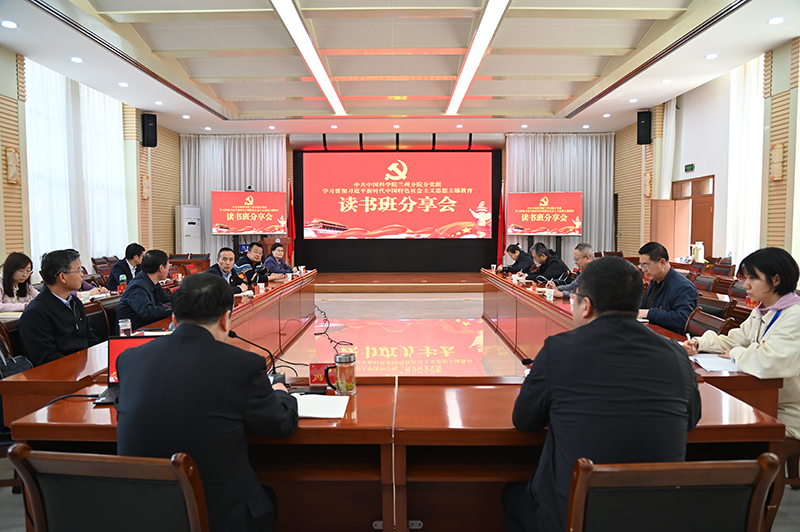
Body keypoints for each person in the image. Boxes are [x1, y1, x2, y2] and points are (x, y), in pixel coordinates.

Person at [503, 257, 701, 532]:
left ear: (586, 305)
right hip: (657, 516)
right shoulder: (677, 356)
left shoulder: (559, 350)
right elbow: (690, 420)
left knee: (512, 496)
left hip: (576, 517)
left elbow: (524, 420)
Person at [116, 273, 298, 532]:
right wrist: (280, 391)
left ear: (174, 319)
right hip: (218, 518)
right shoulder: (242, 365)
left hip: (140, 516)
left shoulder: (129, 359)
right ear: (225, 319)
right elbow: (281, 424)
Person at [685, 247, 800, 439]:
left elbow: (769, 362)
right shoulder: (763, 311)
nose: (745, 285)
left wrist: (735, 353)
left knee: (715, 428)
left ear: (776, 280)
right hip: (763, 400)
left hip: (787, 412)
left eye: (753, 278)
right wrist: (700, 343)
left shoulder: (794, 316)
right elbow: (735, 340)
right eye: (746, 278)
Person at [18, 249, 100, 366]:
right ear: (62, 277)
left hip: (84, 367)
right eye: (78, 270)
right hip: (62, 372)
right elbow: (48, 359)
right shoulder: (35, 314)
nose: (82, 274)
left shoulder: (75, 302)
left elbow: (90, 337)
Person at [638, 241, 698, 334]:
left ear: (662, 263)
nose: (643, 270)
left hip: (670, 338)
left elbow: (682, 319)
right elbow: (647, 307)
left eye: (646, 265)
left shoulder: (684, 287)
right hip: (651, 332)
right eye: (641, 266)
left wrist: (648, 313)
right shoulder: (655, 280)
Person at [116, 249, 172, 331]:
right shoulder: (137, 286)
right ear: (161, 268)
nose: (169, 269)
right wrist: (175, 308)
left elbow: (167, 299)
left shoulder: (152, 282)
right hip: (132, 333)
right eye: (168, 265)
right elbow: (147, 312)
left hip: (149, 328)